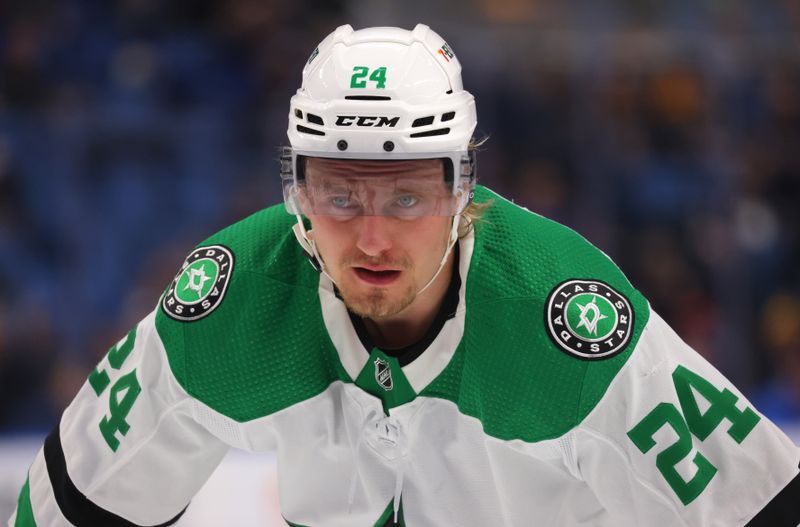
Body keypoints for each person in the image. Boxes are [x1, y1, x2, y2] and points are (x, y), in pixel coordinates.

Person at [8, 23, 800, 527]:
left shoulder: (568, 323)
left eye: (409, 193)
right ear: (297, 193)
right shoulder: (228, 302)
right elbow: (73, 506)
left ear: (464, 190)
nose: (373, 236)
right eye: (340, 193)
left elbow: (762, 503)